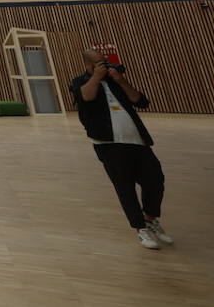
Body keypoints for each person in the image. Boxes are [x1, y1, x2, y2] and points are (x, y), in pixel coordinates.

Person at [68, 50, 172, 250]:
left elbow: (141, 101)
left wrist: (122, 81)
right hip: (108, 144)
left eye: (106, 62)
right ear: (89, 65)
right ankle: (140, 228)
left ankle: (150, 218)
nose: (105, 66)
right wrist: (96, 77)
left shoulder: (115, 81)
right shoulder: (80, 81)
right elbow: (86, 97)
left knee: (155, 179)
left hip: (137, 140)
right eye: (100, 63)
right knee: (125, 187)